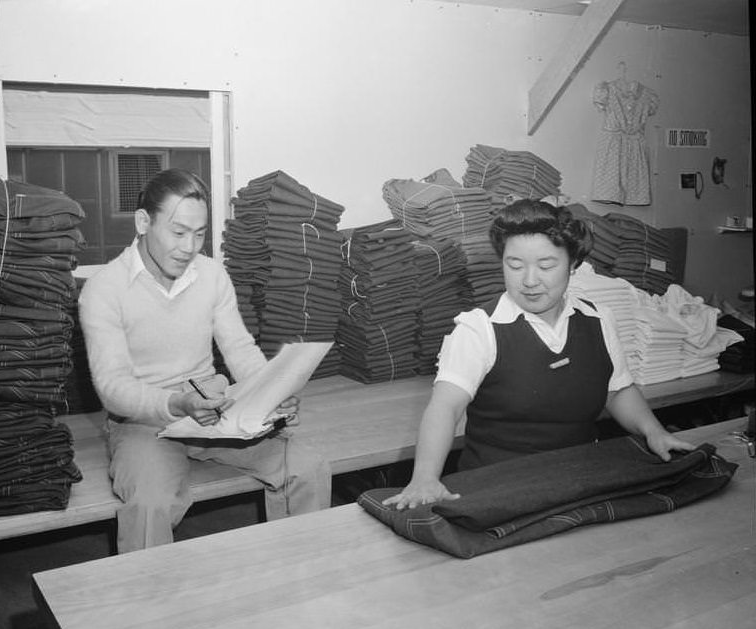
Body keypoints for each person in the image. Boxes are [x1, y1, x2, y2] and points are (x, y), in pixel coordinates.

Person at [78, 168, 331, 552]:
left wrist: (270, 393)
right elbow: (113, 389)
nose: (189, 247)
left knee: (307, 466)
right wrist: (175, 403)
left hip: (214, 410)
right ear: (143, 222)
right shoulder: (103, 289)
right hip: (142, 422)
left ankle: (298, 582)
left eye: (199, 234)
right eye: (178, 232)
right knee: (150, 504)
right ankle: (150, 605)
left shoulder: (212, 275)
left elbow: (240, 349)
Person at [384, 198, 695, 510]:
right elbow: (445, 408)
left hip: (581, 481)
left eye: (546, 266)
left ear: (574, 263)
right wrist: (424, 478)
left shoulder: (599, 320)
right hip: (498, 487)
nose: (529, 281)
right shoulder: (479, 329)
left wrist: (654, 432)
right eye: (515, 266)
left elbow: (617, 391)